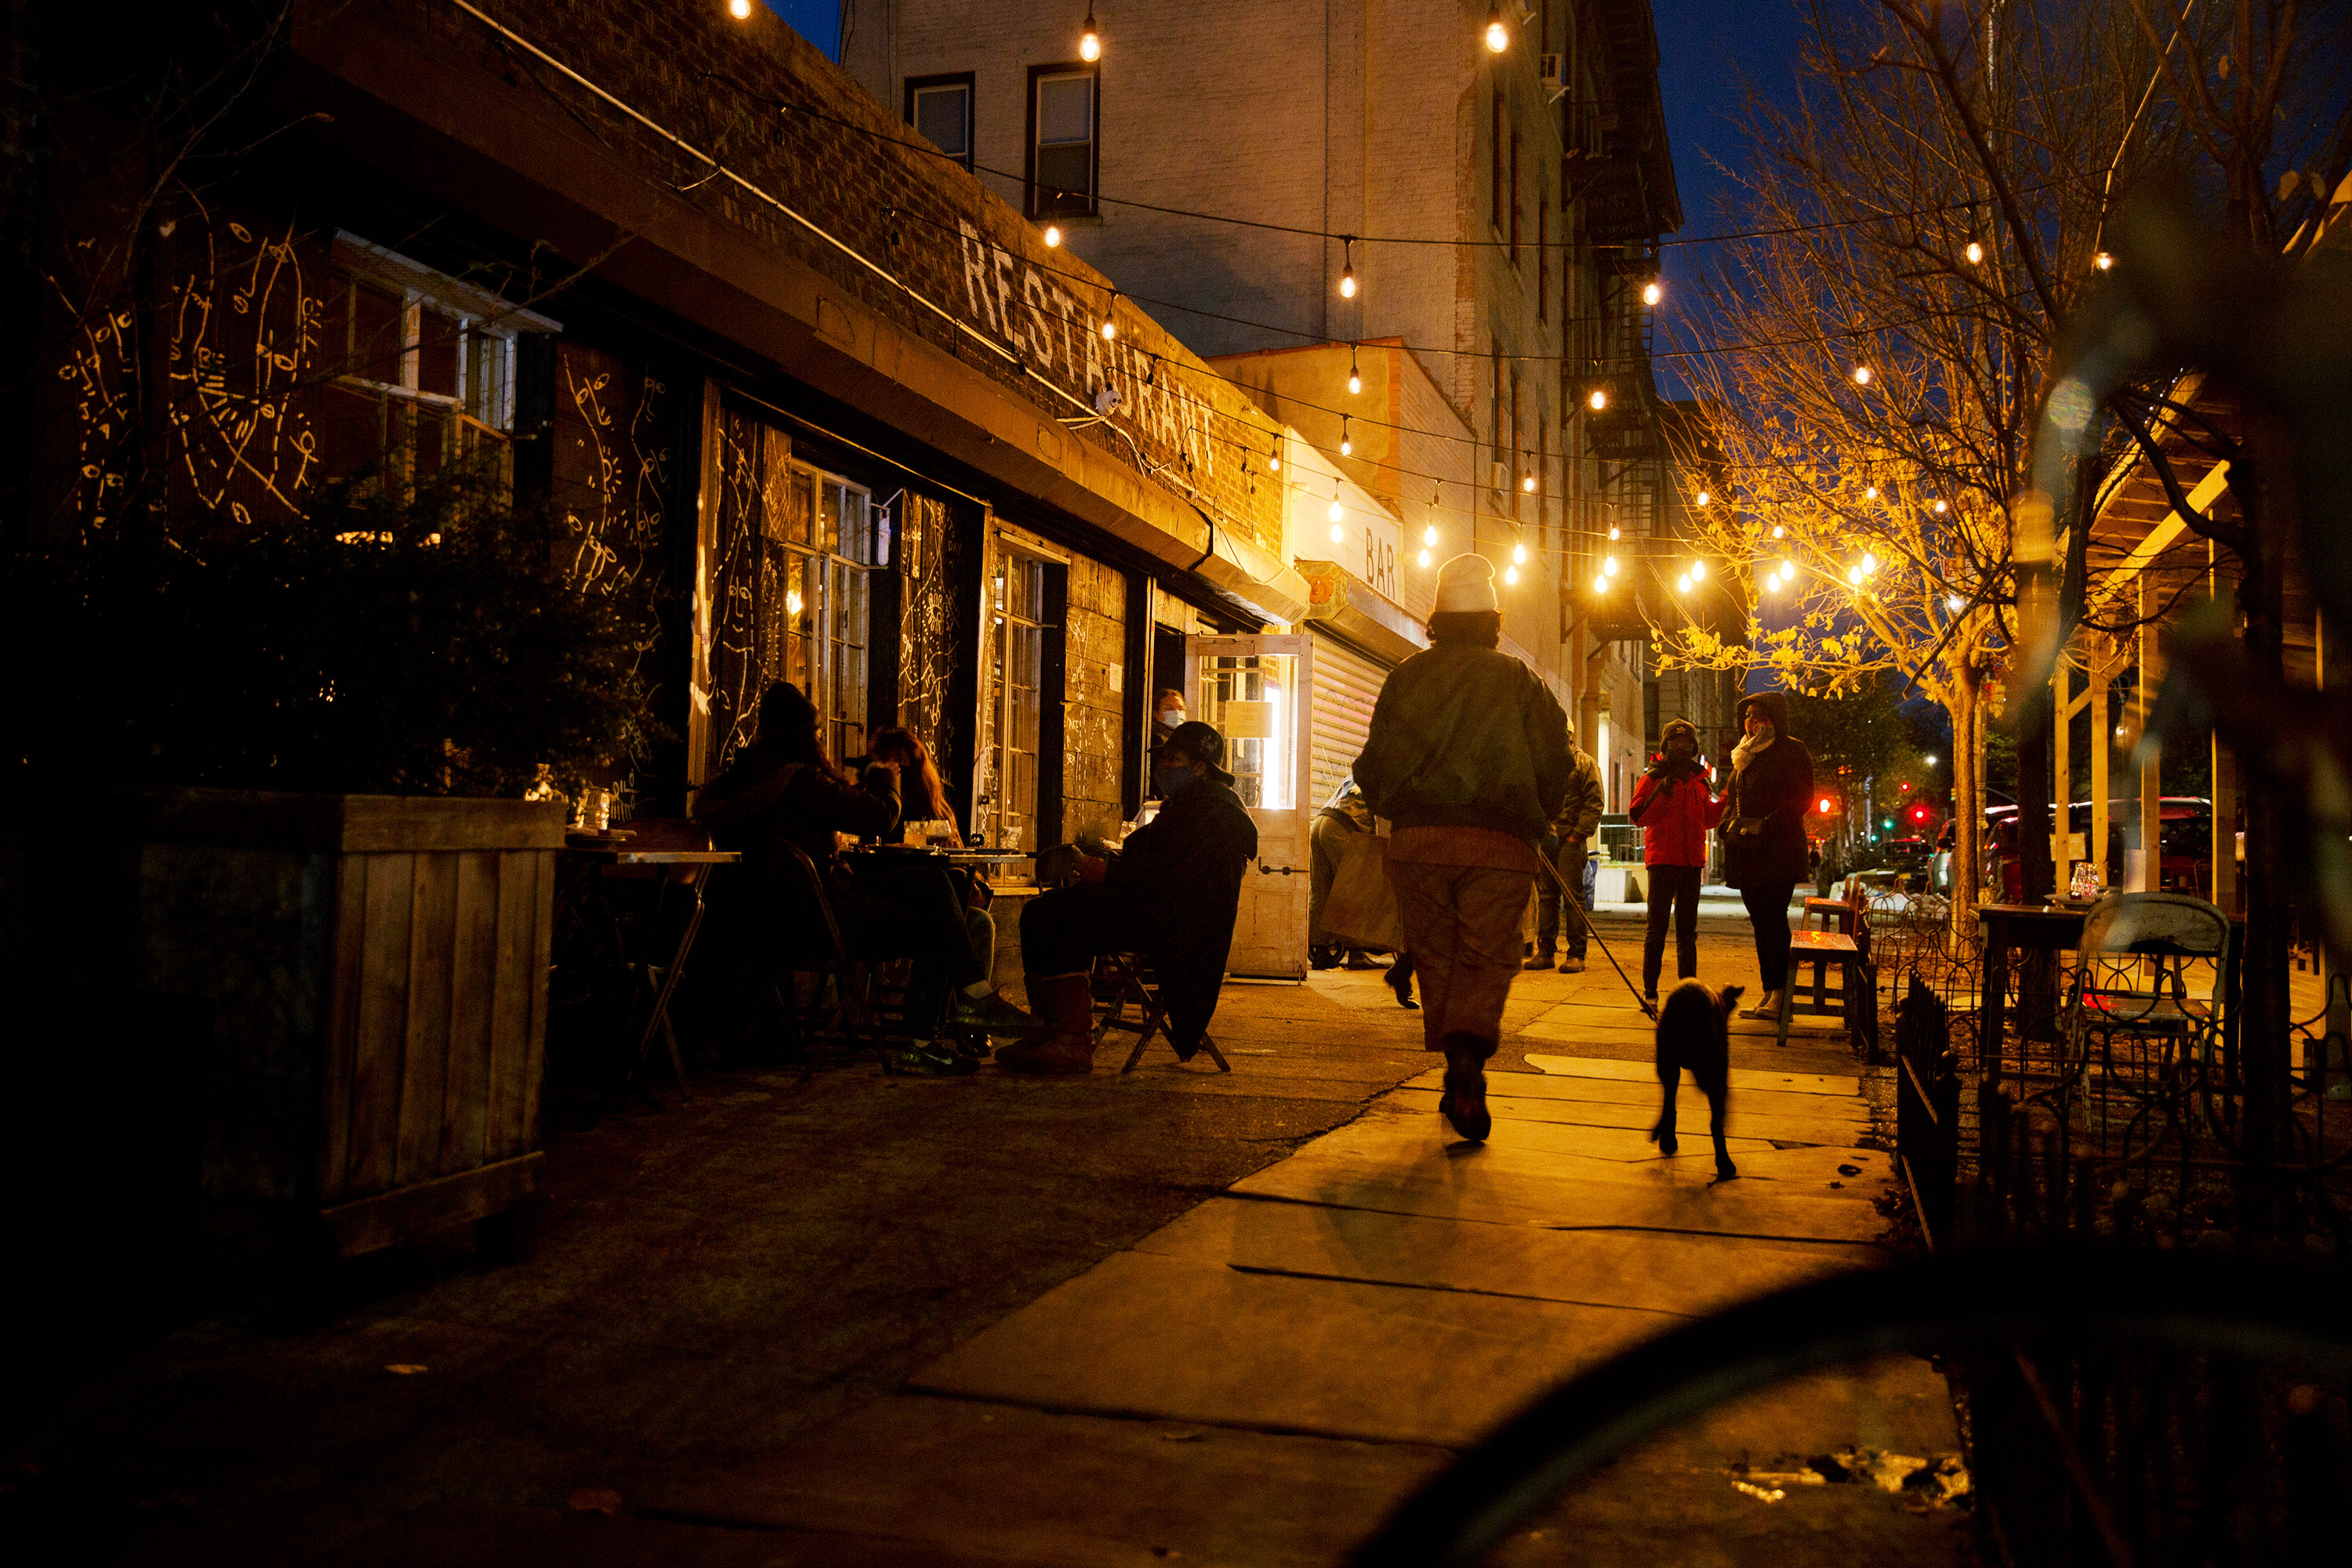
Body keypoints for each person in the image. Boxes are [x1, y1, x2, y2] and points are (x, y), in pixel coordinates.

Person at [1355, 554, 1573, 1142]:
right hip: (1500, 844)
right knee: (1486, 957)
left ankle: (1457, 1067)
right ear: (1493, 621)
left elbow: (1371, 765)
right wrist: (1538, 814)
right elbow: (1560, 758)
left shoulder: (1405, 678)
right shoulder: (1519, 679)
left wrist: (1398, 808)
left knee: (1437, 956)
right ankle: (1469, 1065)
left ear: (1436, 622)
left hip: (1419, 842)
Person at [695, 683, 985, 1073]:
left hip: (763, 921)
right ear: (805, 737)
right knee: (939, 919)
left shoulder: (735, 782)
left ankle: (971, 995)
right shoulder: (800, 782)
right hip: (820, 919)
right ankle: (923, 1039)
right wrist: (884, 776)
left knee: (936, 883)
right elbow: (880, 816)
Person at [997, 721, 1258, 1074]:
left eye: (1174, 760)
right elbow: (1156, 861)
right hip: (1155, 909)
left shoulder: (1212, 813)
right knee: (1039, 912)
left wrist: (1108, 874)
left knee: (1059, 916)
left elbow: (1179, 882)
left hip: (1176, 926)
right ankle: (1047, 1029)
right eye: (1163, 759)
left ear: (1200, 767)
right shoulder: (1192, 804)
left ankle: (1073, 1041)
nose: (1165, 767)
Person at [864, 726, 1031, 1040]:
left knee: (979, 923)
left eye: (906, 762)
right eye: (893, 763)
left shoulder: (934, 807)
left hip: (935, 897)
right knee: (938, 927)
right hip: (889, 902)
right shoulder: (875, 802)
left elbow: (959, 859)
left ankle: (966, 1024)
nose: (901, 771)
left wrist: (977, 885)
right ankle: (931, 1031)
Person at [1720, 690, 1815, 1022]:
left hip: (1778, 853)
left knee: (1774, 921)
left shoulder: (1791, 750)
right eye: (1747, 716)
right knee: (1761, 924)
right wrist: (1726, 826)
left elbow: (1802, 800)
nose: (1751, 721)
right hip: (1748, 854)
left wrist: (1765, 826)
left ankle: (1781, 995)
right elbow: (1733, 800)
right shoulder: (1743, 757)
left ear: (1774, 719)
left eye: (1759, 715)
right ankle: (1769, 990)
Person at [1628, 718, 1728, 1002]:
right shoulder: (1652, 778)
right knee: (1656, 930)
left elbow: (1706, 818)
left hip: (1691, 864)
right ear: (1665, 745)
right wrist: (1662, 792)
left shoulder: (1700, 781)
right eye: (1674, 741)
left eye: (1685, 742)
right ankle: (1650, 992)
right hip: (1662, 862)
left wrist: (1724, 799)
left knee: (1688, 933)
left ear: (1694, 747)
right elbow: (1639, 817)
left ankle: (1689, 993)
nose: (1680, 746)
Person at [1307, 779, 1419, 1005]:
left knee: (1322, 890)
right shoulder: (1393, 780)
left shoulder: (1358, 775)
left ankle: (1319, 951)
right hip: (1342, 827)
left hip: (1320, 822)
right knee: (1357, 887)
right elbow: (1383, 823)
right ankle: (1357, 953)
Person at [1526, 734, 1605, 973]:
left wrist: (1577, 834)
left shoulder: (1585, 764)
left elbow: (1594, 802)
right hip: (1548, 839)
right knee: (1547, 898)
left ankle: (1576, 954)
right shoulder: (1545, 764)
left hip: (1571, 841)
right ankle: (1546, 952)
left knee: (1572, 898)